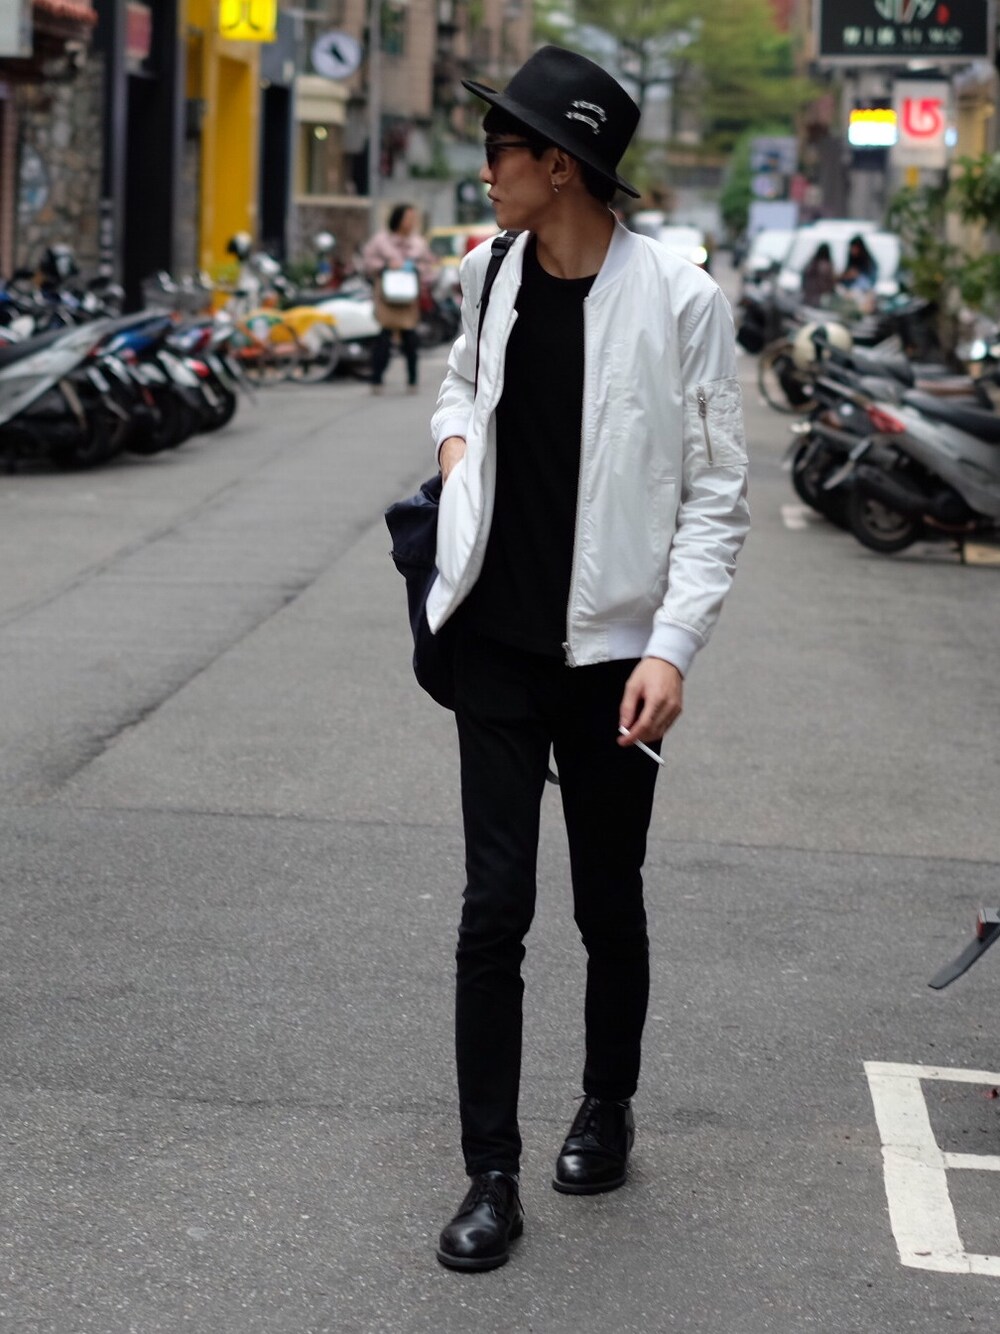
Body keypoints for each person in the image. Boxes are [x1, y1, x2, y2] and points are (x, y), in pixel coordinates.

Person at [427, 45, 750, 1272]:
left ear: (559, 164)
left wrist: (672, 646)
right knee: (491, 910)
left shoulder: (679, 298)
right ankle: (489, 1172)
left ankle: (606, 1102)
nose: (486, 170)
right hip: (495, 645)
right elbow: (459, 388)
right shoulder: (488, 271)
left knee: (606, 900)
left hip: (617, 657)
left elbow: (716, 493)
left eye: (500, 149)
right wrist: (458, 450)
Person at [361, 202, 438, 393]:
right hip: (386, 297)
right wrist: (386, 266)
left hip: (409, 298)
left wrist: (414, 268)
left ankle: (412, 380)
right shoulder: (381, 240)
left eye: (413, 218)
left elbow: (429, 265)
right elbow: (368, 262)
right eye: (407, 218)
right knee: (384, 338)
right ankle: (376, 380)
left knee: (410, 339)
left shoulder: (418, 243)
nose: (410, 222)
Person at [801, 242, 836, 306]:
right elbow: (831, 281)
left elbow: (804, 274)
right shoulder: (829, 265)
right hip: (819, 296)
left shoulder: (812, 262)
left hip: (808, 292)